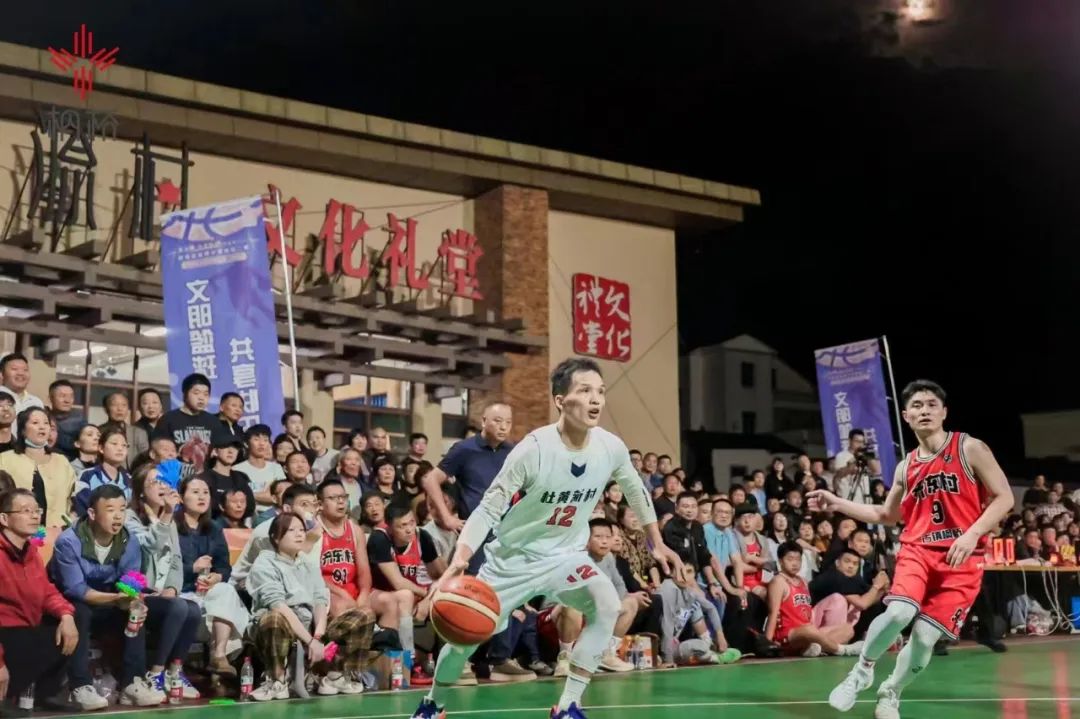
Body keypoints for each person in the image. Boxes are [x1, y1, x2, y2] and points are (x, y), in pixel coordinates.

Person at [410, 357, 681, 719]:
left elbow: (635, 489)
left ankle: (568, 706)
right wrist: (461, 556)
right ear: (560, 400)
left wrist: (655, 541)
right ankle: (433, 704)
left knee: (607, 604)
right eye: (585, 390)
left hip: (566, 556)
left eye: (600, 391)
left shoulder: (610, 447)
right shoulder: (533, 449)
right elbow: (489, 507)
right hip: (513, 560)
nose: (596, 399)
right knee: (464, 639)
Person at [809, 380, 1014, 719]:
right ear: (906, 415)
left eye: (932, 404)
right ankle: (861, 671)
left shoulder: (969, 448)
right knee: (899, 613)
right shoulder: (906, 466)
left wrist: (972, 534)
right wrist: (836, 502)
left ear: (944, 412)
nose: (925, 410)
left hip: (963, 559)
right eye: (917, 405)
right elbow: (885, 515)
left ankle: (891, 692)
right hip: (918, 550)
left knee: (924, 638)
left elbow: (1005, 496)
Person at [48, 485, 174, 707]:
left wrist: (133, 599)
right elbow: (77, 590)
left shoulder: (129, 541)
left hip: (108, 600)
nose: (118, 516)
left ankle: (132, 684)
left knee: (136, 611)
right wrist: (116, 599)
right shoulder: (68, 541)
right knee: (80, 611)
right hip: (69, 604)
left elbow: (130, 580)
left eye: (122, 509)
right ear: (92, 513)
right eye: (110, 509)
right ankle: (80, 686)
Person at [247, 512, 374, 700]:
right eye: (292, 530)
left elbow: (320, 600)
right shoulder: (264, 563)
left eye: (301, 530)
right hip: (280, 627)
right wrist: (310, 642)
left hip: (310, 628)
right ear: (276, 537)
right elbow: (278, 606)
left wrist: (318, 635)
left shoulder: (307, 563)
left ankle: (336, 676)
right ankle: (277, 680)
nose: (299, 534)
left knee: (363, 615)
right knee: (274, 618)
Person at [0, 488, 83, 711]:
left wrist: (66, 615)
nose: (35, 516)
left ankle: (45, 693)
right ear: (4, 519)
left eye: (37, 510)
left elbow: (47, 592)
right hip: (6, 634)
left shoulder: (31, 553)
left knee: (73, 619)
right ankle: (5, 697)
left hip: (26, 629)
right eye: (25, 511)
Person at [173, 476, 250, 676]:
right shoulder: (171, 526)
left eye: (206, 492)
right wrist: (192, 568)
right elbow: (164, 568)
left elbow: (224, 567)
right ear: (181, 497)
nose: (202, 497)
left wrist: (216, 577)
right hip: (178, 593)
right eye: (195, 492)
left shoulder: (214, 528)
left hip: (205, 594)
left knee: (225, 589)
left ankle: (219, 655)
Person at [368, 504, 444, 685]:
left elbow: (440, 574)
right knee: (405, 595)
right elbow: (398, 583)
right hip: (377, 594)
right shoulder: (379, 538)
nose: (409, 529)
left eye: (412, 522)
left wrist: (430, 598)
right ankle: (409, 661)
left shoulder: (422, 536)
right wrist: (425, 594)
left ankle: (447, 663)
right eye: (402, 526)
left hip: (411, 593)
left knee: (448, 599)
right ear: (389, 527)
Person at [765, 541, 862, 657]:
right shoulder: (778, 582)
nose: (795, 563)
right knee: (809, 630)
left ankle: (811, 649)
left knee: (848, 629)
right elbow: (773, 613)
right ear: (781, 561)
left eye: (798, 559)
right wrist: (767, 643)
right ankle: (843, 650)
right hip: (788, 635)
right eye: (790, 559)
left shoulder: (803, 582)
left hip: (808, 632)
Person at [0, 407, 77, 528]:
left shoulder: (61, 461)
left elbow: (73, 498)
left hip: (56, 531)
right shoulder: (5, 460)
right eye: (35, 423)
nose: (42, 427)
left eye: (46, 423)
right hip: (15, 531)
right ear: (23, 430)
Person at [156, 373, 218, 480]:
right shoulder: (168, 419)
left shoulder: (213, 421)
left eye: (206, 394)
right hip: (175, 477)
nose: (201, 398)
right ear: (185, 394)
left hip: (204, 478)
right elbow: (159, 450)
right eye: (196, 393)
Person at [73, 426, 131, 517]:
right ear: (101, 448)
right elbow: (83, 507)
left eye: (124, 445)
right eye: (114, 444)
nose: (120, 448)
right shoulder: (87, 476)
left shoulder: (130, 480)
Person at [201, 428, 255, 522]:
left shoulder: (241, 477)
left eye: (235, 447)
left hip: (238, 526)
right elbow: (206, 506)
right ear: (215, 451)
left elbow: (250, 506)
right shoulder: (205, 478)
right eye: (225, 446)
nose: (231, 451)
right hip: (212, 525)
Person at [234, 424, 286, 514]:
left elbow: (281, 497)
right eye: (256, 439)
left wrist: (248, 495)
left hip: (274, 516)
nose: (262, 443)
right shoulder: (237, 469)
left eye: (265, 440)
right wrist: (266, 495)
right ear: (246, 444)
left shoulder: (276, 468)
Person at [99, 392, 149, 468]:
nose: (120, 409)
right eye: (114, 405)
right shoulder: (99, 432)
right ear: (106, 409)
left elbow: (145, 459)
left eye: (124, 405)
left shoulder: (138, 432)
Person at [48, 379, 83, 460]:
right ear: (50, 398)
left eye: (71, 396)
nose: (67, 400)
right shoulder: (44, 418)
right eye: (62, 396)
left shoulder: (80, 421)